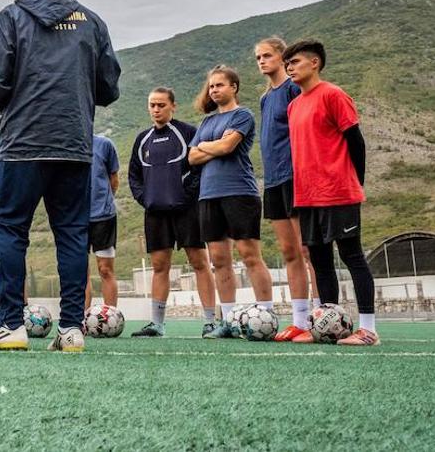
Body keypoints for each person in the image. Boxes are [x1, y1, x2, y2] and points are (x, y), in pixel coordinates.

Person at [0, 0, 120, 353]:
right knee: (71, 233)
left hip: (22, 145)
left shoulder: (12, 17)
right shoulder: (93, 23)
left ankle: (10, 324)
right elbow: (109, 87)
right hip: (73, 143)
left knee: (10, 229)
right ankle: (71, 329)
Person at [283, 40, 379, 346]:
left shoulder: (333, 95)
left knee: (352, 256)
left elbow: (356, 142)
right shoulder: (294, 105)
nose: (290, 67)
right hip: (307, 196)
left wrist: (354, 182)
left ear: (315, 63)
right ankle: (326, 327)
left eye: (295, 61)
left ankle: (368, 330)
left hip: (338, 192)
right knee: (320, 261)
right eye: (287, 64)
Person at [188, 66, 275, 339]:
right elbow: (191, 158)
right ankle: (227, 322)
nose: (214, 90)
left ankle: (266, 317)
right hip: (208, 196)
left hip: (240, 193)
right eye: (211, 86)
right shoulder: (205, 123)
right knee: (219, 261)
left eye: (219, 85)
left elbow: (227, 148)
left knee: (250, 256)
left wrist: (206, 147)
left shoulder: (243, 115)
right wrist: (213, 146)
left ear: (233, 87)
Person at [127, 88, 217, 337]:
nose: (156, 110)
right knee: (159, 266)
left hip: (187, 210)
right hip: (155, 212)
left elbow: (200, 168)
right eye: (152, 105)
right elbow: (134, 176)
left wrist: (186, 195)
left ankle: (210, 321)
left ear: (173, 106)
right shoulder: (142, 139)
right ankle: (157, 324)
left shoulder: (188, 132)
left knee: (199, 262)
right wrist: (146, 199)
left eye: (161, 105)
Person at [255, 37, 317, 341]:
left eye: (267, 55)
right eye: (258, 58)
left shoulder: (294, 89)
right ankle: (299, 321)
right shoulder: (266, 99)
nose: (262, 61)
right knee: (288, 250)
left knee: (308, 249)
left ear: (282, 58)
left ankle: (321, 317)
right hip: (274, 181)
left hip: (296, 177)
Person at [84, 134, 119, 309]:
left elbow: (114, 179)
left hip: (104, 218)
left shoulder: (105, 145)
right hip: (76, 219)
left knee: (105, 269)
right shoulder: (66, 144)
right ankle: (79, 321)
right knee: (80, 272)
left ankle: (110, 317)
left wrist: (103, 202)